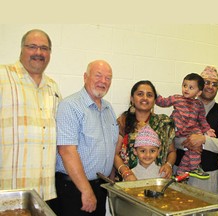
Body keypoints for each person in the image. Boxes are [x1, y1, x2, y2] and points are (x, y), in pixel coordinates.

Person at [0, 29, 61, 202]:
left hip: (44, 192)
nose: (39, 53)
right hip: (8, 192)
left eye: (44, 48)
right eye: (32, 47)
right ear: (21, 49)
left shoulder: (53, 87)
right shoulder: (3, 76)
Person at [55, 60, 118, 216]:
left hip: (100, 187)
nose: (103, 81)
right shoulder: (70, 106)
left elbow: (110, 146)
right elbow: (66, 151)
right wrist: (86, 190)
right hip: (75, 189)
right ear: (85, 77)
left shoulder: (109, 108)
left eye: (108, 78)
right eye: (98, 75)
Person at [179, 66, 218, 194]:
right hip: (182, 173)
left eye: (215, 84)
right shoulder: (182, 106)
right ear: (200, 86)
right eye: (207, 82)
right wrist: (188, 143)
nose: (210, 87)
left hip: (208, 176)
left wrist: (202, 140)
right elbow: (173, 138)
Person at [114, 80, 176, 182]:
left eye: (149, 95)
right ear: (132, 99)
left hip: (158, 181)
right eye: (140, 94)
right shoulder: (123, 121)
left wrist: (169, 165)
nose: (145, 98)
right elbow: (115, 154)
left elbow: (172, 151)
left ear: (155, 100)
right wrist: (126, 172)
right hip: (128, 182)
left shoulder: (164, 123)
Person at [156, 73, 215, 178]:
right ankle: (192, 168)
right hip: (178, 129)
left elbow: (202, 119)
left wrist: (208, 130)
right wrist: (155, 94)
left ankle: (184, 170)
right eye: (184, 85)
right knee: (189, 144)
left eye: (191, 87)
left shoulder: (199, 104)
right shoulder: (177, 98)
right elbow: (163, 102)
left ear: (199, 92)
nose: (186, 89)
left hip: (191, 130)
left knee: (196, 145)